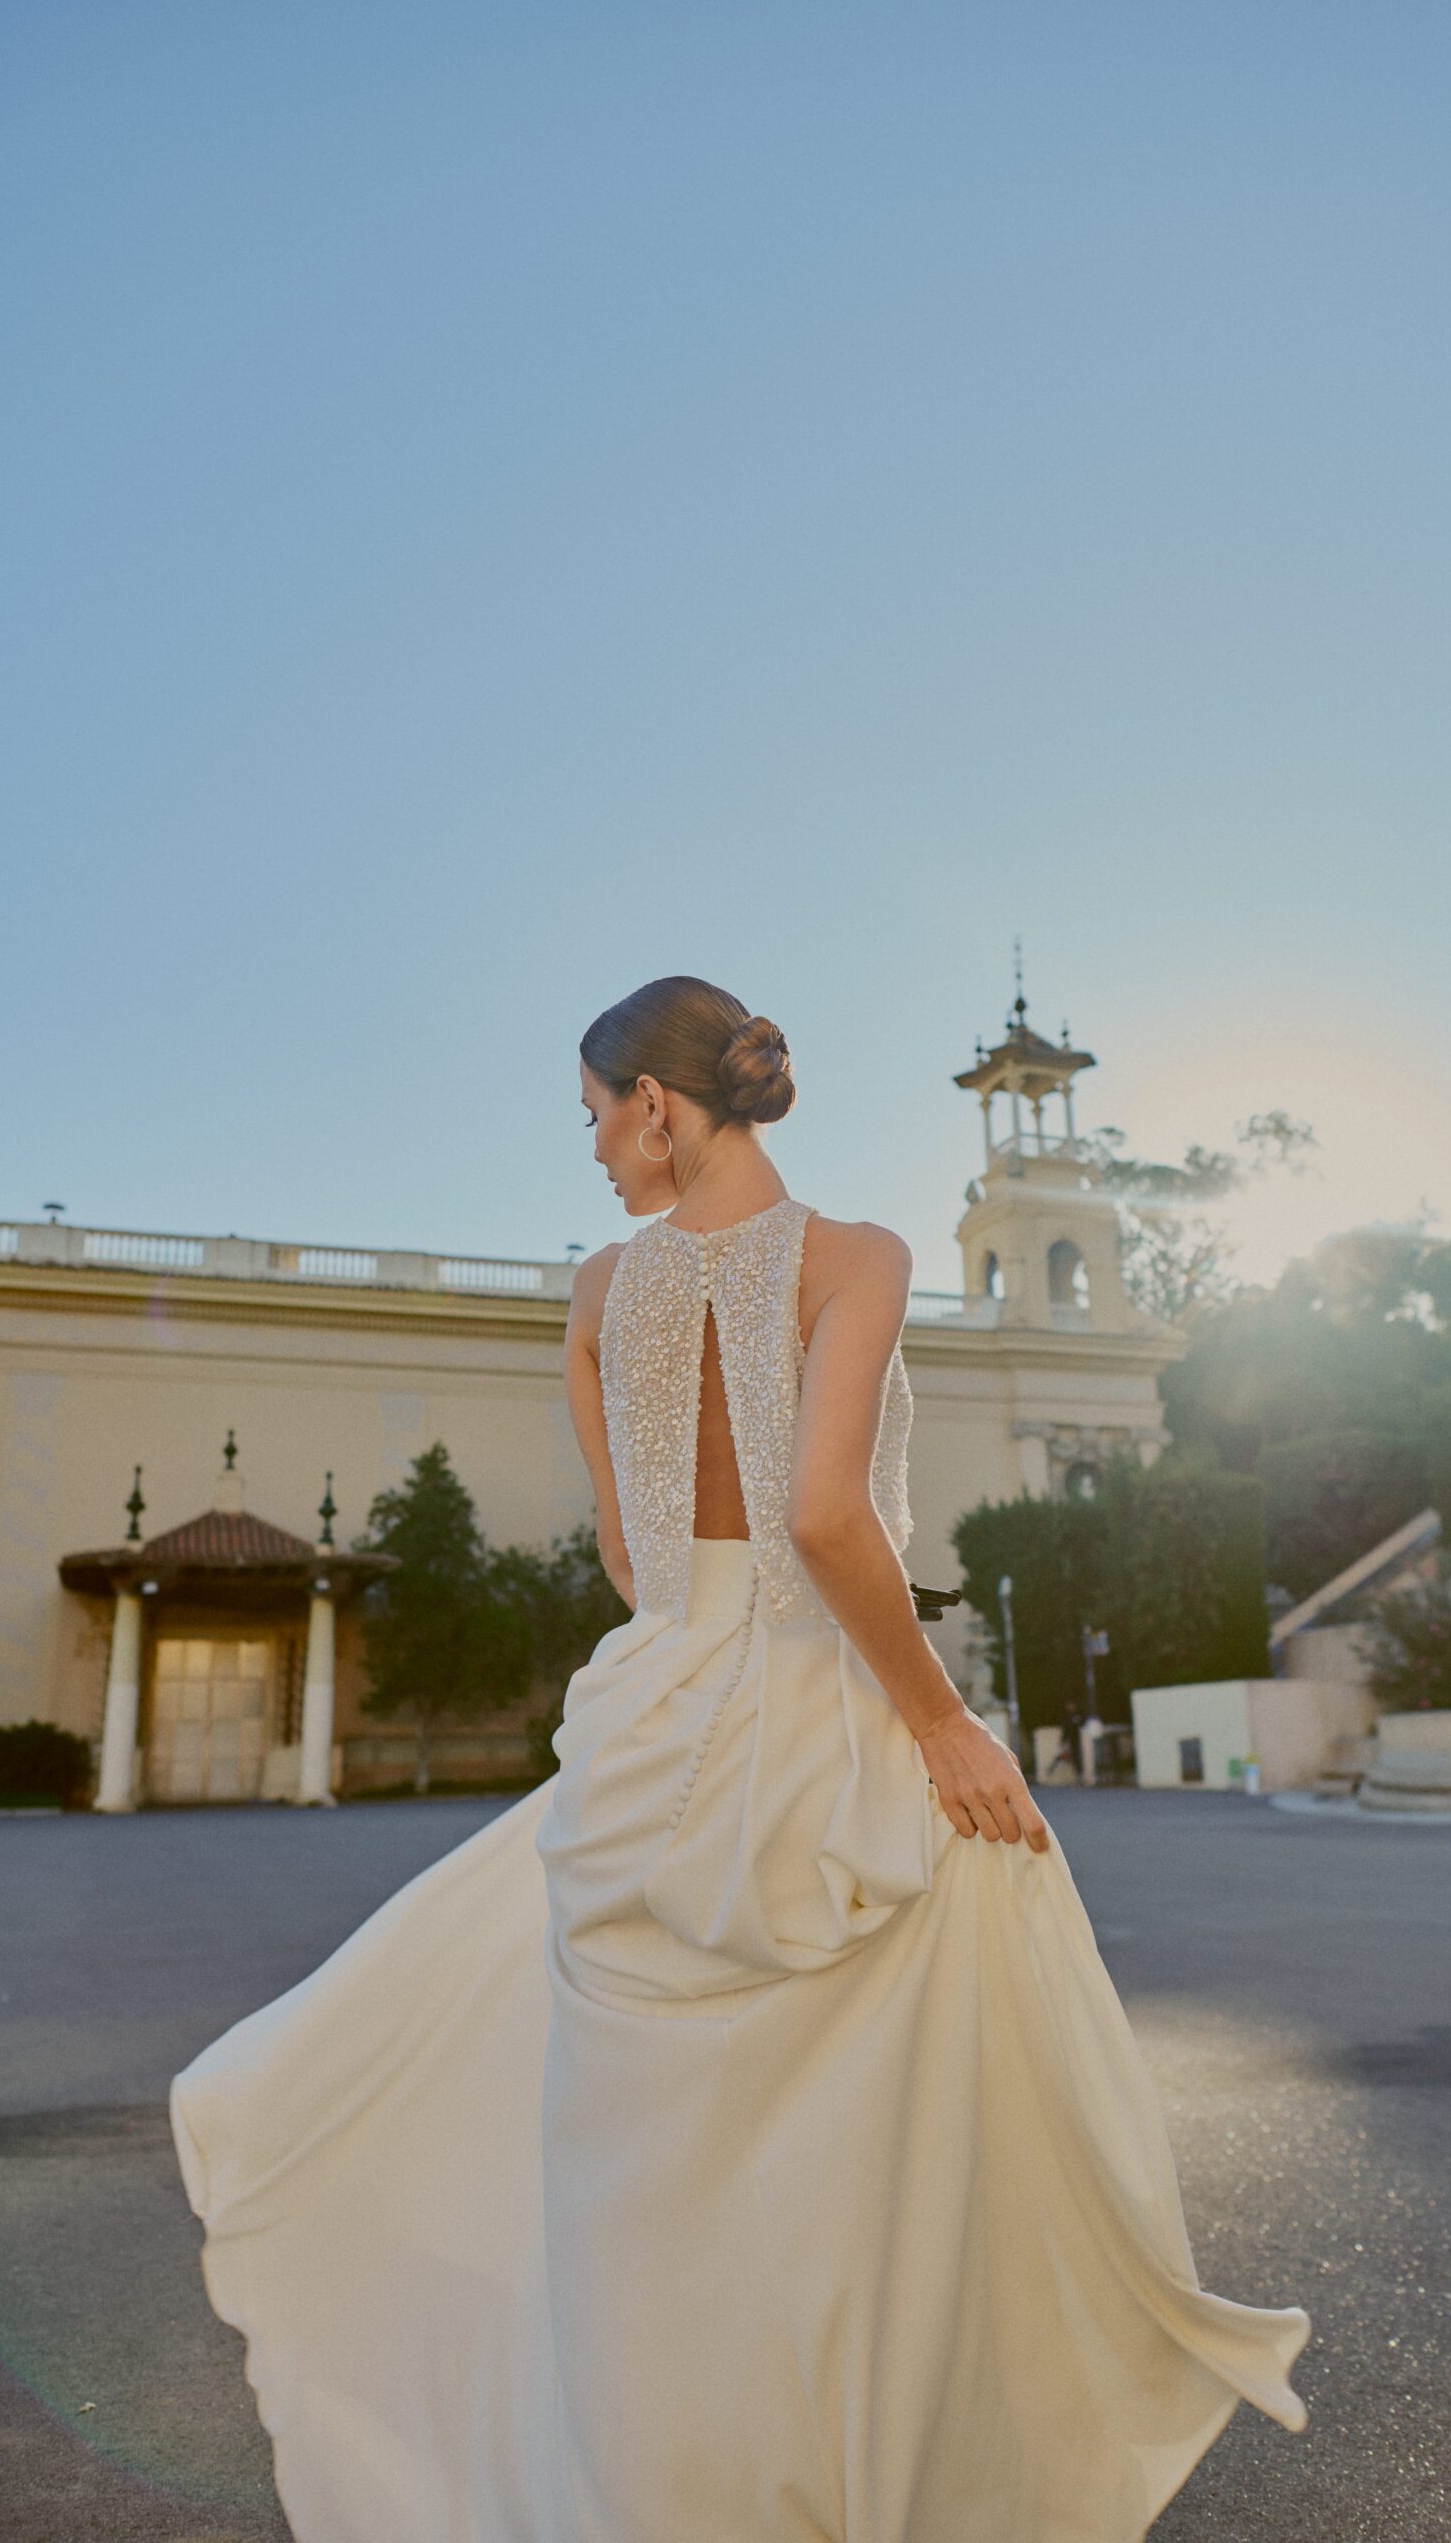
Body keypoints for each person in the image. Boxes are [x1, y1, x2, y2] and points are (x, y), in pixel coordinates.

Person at [170, 975, 1311, 2543]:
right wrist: (942, 1718)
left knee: (636, 2197)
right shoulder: (860, 1261)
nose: (591, 1152)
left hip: (655, 1730)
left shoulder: (595, 1297)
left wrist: (715, 1615)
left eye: (591, 1118)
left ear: (654, 1105)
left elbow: (638, 1565)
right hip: (822, 1718)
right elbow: (832, 1521)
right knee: (873, 2164)